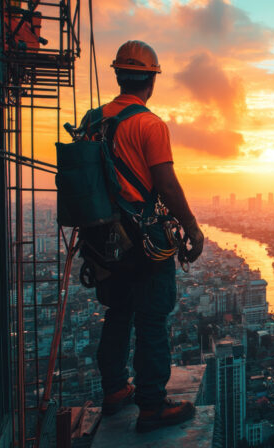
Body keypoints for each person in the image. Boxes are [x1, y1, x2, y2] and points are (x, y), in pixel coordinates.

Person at [95, 40, 204, 433]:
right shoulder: (149, 124)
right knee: (152, 318)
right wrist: (191, 227)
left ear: (119, 76)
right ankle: (152, 405)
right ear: (151, 81)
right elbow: (166, 184)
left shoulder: (93, 120)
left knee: (118, 311)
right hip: (142, 240)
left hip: (102, 239)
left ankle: (114, 390)